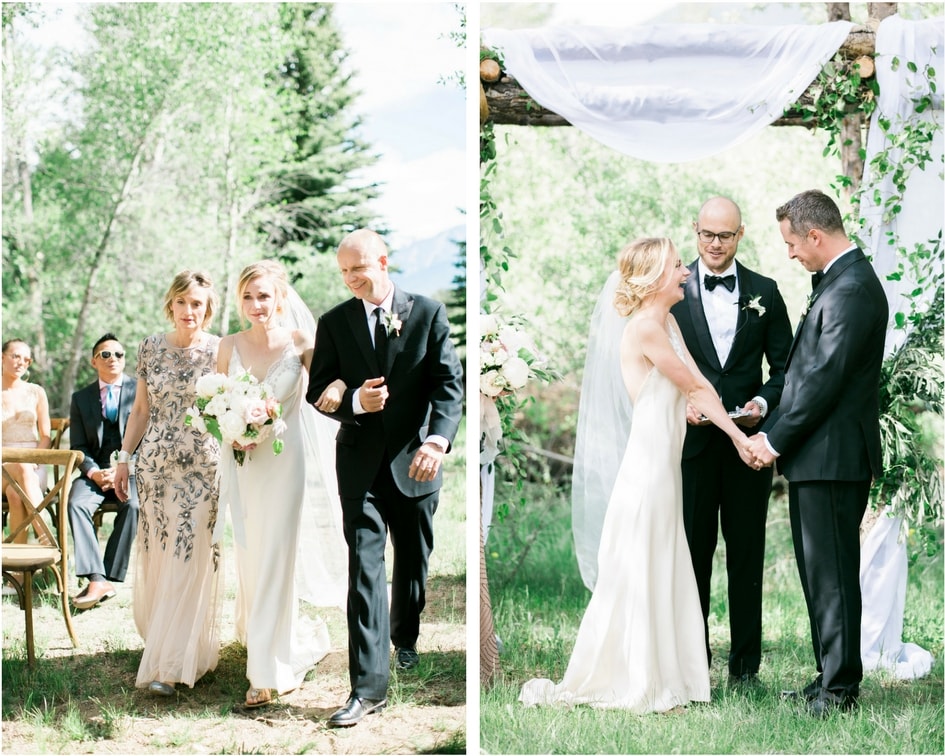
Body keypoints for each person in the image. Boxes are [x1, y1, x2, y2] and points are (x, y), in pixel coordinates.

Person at [523, 237, 756, 712]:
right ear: (653, 278)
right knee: (645, 566)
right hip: (648, 470)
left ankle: (673, 673)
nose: (686, 273)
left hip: (666, 465)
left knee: (666, 563)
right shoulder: (646, 328)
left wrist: (707, 417)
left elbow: (694, 389)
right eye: (676, 267)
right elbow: (694, 385)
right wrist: (739, 438)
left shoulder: (666, 321)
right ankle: (639, 675)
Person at [306, 228, 464, 727]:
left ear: (383, 261)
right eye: (344, 272)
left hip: (417, 461)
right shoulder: (333, 322)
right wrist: (355, 401)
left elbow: (448, 385)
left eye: (359, 268)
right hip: (359, 466)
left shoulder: (428, 313)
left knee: (413, 563)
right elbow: (319, 389)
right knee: (365, 571)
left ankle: (406, 636)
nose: (352, 279)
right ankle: (367, 689)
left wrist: (436, 442)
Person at [747, 189, 887, 717]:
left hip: (833, 456)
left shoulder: (851, 289)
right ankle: (827, 676)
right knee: (817, 573)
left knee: (832, 576)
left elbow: (824, 380)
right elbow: (805, 375)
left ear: (815, 235)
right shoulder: (836, 282)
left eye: (791, 244)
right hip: (818, 457)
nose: (789, 254)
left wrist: (774, 440)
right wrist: (767, 415)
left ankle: (840, 692)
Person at [670, 197, 793, 683]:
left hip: (748, 447)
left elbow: (785, 369)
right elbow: (655, 366)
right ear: (694, 231)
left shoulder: (766, 290)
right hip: (691, 449)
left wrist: (763, 404)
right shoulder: (673, 291)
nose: (714, 244)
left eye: (724, 236)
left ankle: (745, 668)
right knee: (692, 557)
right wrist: (680, 404)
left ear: (740, 234)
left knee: (747, 557)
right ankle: (694, 664)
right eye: (706, 235)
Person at [216, 260, 348, 709]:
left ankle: (267, 672)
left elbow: (333, 377)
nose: (257, 305)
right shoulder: (228, 345)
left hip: (283, 461)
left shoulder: (300, 341)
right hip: (242, 462)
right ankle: (268, 635)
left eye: (264, 296)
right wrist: (230, 429)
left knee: (276, 553)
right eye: (248, 297)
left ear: (281, 298)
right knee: (251, 556)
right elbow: (213, 402)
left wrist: (343, 383)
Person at [113, 270, 222, 697]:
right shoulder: (149, 348)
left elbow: (233, 402)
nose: (189, 311)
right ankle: (169, 642)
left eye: (197, 303)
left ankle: (171, 665)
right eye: (182, 302)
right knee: (162, 552)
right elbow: (140, 410)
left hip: (202, 468)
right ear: (171, 304)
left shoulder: (220, 350)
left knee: (189, 552)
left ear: (207, 308)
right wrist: (125, 459)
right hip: (155, 467)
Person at [68, 333, 140, 611]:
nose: (113, 359)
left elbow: (148, 440)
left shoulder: (140, 391)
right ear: (93, 361)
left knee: (134, 505)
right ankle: (96, 579)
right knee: (75, 503)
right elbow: (78, 446)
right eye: (106, 355)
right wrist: (95, 472)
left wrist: (126, 467)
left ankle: (107, 576)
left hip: (131, 471)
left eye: (119, 355)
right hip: (95, 472)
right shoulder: (80, 398)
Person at [1, 338, 51, 544]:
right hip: (2, 463)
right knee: (20, 468)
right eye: (15, 356)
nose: (21, 362)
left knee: (15, 493)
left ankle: (18, 569)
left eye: (26, 359)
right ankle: (46, 537)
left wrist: (34, 459)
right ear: (2, 357)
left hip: (34, 463)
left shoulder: (36, 392)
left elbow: (46, 436)